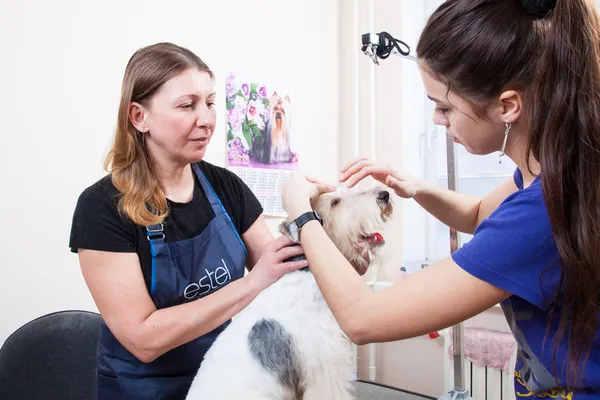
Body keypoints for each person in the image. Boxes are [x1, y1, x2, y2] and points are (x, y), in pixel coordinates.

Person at [283, 0, 600, 397]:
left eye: (444, 107)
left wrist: (301, 213)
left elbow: (363, 319)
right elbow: (482, 213)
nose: (437, 120)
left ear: (507, 105)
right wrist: (417, 188)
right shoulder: (560, 168)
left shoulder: (543, 210)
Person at [69, 42, 308, 399]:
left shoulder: (225, 187)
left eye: (210, 102)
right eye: (187, 105)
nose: (208, 119)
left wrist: (317, 221)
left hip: (229, 381)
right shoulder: (102, 208)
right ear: (139, 117)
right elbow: (144, 339)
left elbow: (283, 274)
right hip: (144, 391)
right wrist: (252, 283)